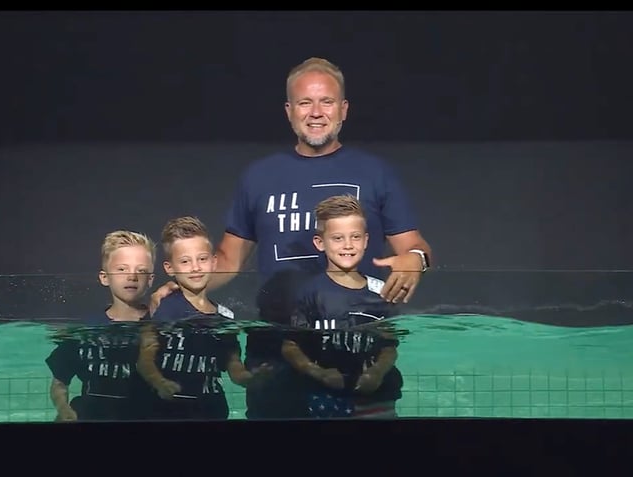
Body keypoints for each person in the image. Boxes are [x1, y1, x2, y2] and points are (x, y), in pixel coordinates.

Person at [151, 57, 432, 419]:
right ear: (289, 111)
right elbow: (228, 260)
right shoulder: (259, 177)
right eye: (305, 102)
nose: (316, 112)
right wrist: (182, 284)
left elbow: (415, 245)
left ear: (343, 110)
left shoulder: (375, 173)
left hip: (355, 355)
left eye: (326, 102)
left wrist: (416, 260)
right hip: (275, 353)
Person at [281, 194, 403, 419]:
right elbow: (290, 347)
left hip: (377, 399)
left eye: (355, 237)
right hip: (325, 398)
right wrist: (319, 373)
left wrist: (376, 373)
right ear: (320, 243)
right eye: (337, 238)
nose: (348, 245)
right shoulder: (309, 294)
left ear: (366, 240)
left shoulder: (381, 292)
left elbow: (389, 346)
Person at [137, 216, 269, 420]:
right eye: (184, 261)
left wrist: (250, 379)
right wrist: (159, 382)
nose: (195, 267)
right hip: (168, 411)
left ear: (214, 261)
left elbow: (234, 367)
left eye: (202, 259)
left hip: (212, 410)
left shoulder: (225, 316)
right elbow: (145, 360)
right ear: (169, 268)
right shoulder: (164, 308)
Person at [45, 230, 157, 422]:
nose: (132, 276)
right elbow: (59, 381)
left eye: (141, 270)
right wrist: (64, 410)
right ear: (104, 277)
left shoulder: (160, 328)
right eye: (122, 269)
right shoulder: (86, 330)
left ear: (151, 280)